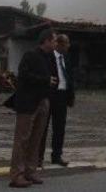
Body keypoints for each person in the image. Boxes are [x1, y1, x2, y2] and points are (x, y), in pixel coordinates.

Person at [9, 29, 58, 188]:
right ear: (46, 40)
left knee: (36, 138)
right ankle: (17, 174)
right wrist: (45, 80)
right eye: (54, 40)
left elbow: (54, 78)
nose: (56, 43)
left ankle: (31, 170)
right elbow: (23, 76)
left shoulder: (50, 57)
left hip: (43, 101)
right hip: (28, 103)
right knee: (22, 139)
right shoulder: (30, 55)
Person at [38, 34, 74, 168]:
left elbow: (70, 77)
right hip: (49, 95)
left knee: (59, 128)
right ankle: (38, 157)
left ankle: (57, 155)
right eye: (66, 43)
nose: (68, 46)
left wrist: (71, 96)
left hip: (62, 96)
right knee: (43, 127)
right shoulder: (48, 57)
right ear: (58, 44)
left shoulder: (66, 58)